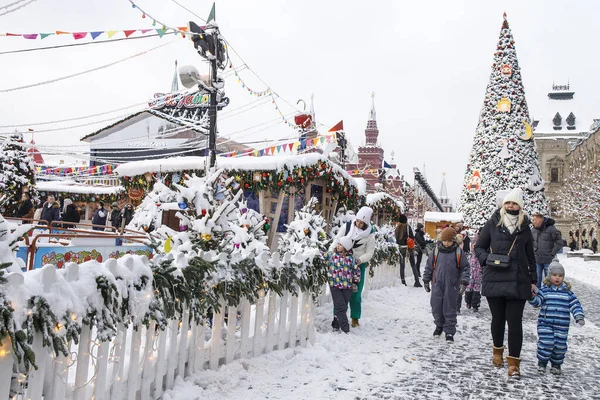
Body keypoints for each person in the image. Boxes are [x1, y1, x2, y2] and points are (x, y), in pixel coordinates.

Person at [475, 187, 537, 378]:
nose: (511, 206)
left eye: (515, 203)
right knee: (498, 319)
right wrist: (486, 259)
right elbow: (479, 246)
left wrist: (534, 280)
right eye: (508, 202)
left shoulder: (525, 227)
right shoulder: (493, 223)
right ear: (504, 204)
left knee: (515, 322)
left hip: (518, 280)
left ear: (520, 206)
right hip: (495, 277)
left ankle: (514, 364)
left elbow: (530, 255)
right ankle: (497, 353)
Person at [529, 259, 585, 375]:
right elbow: (538, 302)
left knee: (560, 345)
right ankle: (542, 362)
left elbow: (575, 304)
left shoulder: (567, 292)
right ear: (549, 276)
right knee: (546, 342)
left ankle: (556, 364)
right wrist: (532, 297)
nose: (557, 278)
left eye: (560, 275)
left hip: (562, 325)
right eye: (554, 275)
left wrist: (578, 316)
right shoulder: (544, 290)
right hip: (545, 323)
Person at [330, 206, 376, 328]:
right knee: (340, 291)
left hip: (357, 264)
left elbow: (370, 252)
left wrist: (360, 260)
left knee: (355, 292)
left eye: (362, 223)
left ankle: (355, 317)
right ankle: (338, 317)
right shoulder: (347, 227)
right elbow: (336, 240)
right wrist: (331, 253)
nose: (358, 224)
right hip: (342, 264)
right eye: (358, 221)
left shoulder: (370, 234)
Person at [422, 227, 470, 342]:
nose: (447, 243)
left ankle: (449, 331)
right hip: (437, 284)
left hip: (452, 284)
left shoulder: (458, 252)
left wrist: (463, 281)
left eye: (449, 241)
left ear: (454, 240)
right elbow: (429, 266)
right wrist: (426, 280)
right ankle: (439, 325)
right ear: (441, 240)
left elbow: (465, 268)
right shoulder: (436, 251)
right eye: (445, 241)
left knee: (449, 308)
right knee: (436, 307)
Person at [326, 236, 360, 333]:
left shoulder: (351, 260)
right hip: (334, 285)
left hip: (347, 287)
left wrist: (355, 281)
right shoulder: (332, 257)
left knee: (343, 307)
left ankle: (336, 324)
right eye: (338, 244)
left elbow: (356, 271)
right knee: (340, 306)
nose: (338, 246)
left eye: (340, 244)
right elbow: (322, 256)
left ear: (346, 247)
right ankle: (345, 328)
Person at [531, 211, 563, 288]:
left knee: (549, 281)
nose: (533, 222)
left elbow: (559, 242)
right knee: (536, 280)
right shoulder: (533, 230)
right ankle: (537, 297)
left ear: (540, 219)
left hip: (548, 260)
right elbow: (531, 243)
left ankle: (548, 296)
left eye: (534, 220)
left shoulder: (552, 229)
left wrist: (552, 253)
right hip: (537, 260)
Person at [395, 214, 421, 287]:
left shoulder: (397, 228)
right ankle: (417, 281)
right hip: (408, 249)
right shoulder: (407, 227)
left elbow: (397, 239)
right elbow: (412, 237)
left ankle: (403, 282)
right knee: (413, 264)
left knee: (402, 265)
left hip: (400, 249)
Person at [464, 233, 482, 312]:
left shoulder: (481, 256)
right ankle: (468, 302)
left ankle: (475, 304)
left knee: (476, 291)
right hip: (470, 276)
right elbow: (465, 266)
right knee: (468, 290)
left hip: (478, 275)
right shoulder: (469, 256)